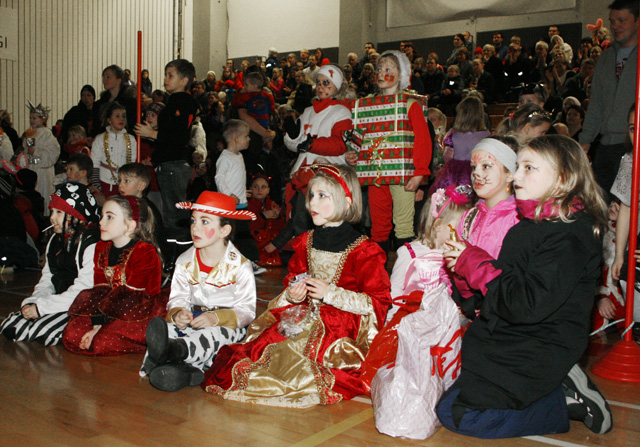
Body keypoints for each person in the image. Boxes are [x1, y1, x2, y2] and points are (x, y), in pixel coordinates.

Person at [438, 135, 612, 438]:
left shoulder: (573, 235)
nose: (516, 176)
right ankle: (557, 387)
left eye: (528, 168)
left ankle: (566, 401)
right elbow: (496, 297)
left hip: (540, 345)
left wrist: (476, 264)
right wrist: (465, 281)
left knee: (466, 417)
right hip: (507, 337)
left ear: (563, 179)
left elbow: (526, 303)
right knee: (446, 406)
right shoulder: (524, 228)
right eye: (518, 167)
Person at [203, 164, 391, 407]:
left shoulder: (365, 250)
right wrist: (293, 294)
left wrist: (330, 293)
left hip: (340, 327)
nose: (312, 202)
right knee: (264, 351)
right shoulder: (305, 242)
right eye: (311, 195)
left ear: (346, 202)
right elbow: (294, 279)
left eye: (322, 196)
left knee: (301, 365)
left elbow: (378, 302)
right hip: (304, 317)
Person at [141, 191, 257, 391]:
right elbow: (177, 297)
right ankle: (185, 373)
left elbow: (247, 311)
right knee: (169, 328)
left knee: (214, 335)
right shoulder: (184, 261)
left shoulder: (240, 266)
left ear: (224, 230)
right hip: (194, 319)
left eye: (205, 222)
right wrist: (178, 313)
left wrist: (215, 317)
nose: (195, 227)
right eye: (193, 221)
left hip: (227, 327)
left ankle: (172, 352)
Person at [348, 50, 432, 250]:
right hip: (376, 174)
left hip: (403, 174)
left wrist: (420, 172)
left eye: (388, 69)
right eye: (379, 69)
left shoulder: (410, 104)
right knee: (378, 225)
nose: (381, 73)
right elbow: (358, 135)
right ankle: (379, 274)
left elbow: (423, 140)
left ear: (401, 75)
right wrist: (352, 153)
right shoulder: (367, 105)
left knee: (403, 225)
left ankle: (406, 272)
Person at [62, 195, 166, 356]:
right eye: (102, 216)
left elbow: (132, 299)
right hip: (110, 308)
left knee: (102, 341)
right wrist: (96, 324)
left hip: (140, 310)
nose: (101, 222)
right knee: (72, 334)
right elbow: (99, 289)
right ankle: (104, 332)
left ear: (130, 225)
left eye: (109, 217)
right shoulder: (102, 248)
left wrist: (101, 329)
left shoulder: (143, 251)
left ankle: (154, 341)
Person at [0, 182, 100, 345]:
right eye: (52, 211)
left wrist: (42, 308)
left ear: (77, 215)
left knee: (41, 331)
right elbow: (48, 277)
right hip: (58, 300)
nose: (52, 217)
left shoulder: (90, 242)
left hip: (82, 304)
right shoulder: (55, 239)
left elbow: (84, 291)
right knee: (11, 325)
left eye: (59, 212)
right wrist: (36, 300)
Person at [452, 137, 520, 318]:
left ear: (510, 174)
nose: (477, 174)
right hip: (473, 308)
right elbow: (459, 271)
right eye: (474, 167)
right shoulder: (469, 217)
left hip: (503, 309)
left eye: (486, 166)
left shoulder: (518, 219)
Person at [387, 184, 473, 323]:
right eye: (460, 228)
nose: (464, 234)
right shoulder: (410, 252)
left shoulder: (459, 253)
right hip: (413, 322)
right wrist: (392, 321)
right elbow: (395, 289)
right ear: (438, 225)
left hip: (446, 324)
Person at [580, 0, 639, 200]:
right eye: (612, 21)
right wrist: (586, 140)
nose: (615, 26)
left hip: (634, 145)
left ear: (638, 21)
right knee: (599, 204)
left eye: (622, 20)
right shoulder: (605, 58)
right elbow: (595, 103)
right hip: (605, 146)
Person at [135, 59, 199, 239]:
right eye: (165, 75)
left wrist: (154, 134)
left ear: (184, 80)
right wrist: (156, 127)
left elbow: (179, 136)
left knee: (175, 214)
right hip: (169, 163)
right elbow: (172, 130)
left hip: (173, 164)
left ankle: (178, 251)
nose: (165, 79)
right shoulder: (174, 102)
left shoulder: (181, 103)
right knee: (172, 211)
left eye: (170, 75)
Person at [609, 105, 640, 338]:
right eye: (632, 128)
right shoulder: (630, 160)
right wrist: (620, 253)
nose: (636, 133)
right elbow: (626, 209)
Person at [431, 96, 490, 194]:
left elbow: (447, 156)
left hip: (455, 172)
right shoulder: (486, 135)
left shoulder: (453, 134)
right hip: (477, 171)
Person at [91, 102, 138, 199]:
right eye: (117, 116)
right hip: (104, 183)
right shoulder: (100, 139)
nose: (121, 119)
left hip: (124, 184)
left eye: (124, 116)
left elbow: (132, 162)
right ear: (109, 120)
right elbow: (94, 162)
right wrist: (96, 185)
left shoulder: (131, 140)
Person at [247, 175, 285, 267]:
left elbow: (282, 229)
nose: (259, 190)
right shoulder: (246, 206)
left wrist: (277, 218)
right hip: (252, 247)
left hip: (270, 247)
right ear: (250, 189)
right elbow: (246, 228)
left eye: (263, 187)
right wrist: (263, 216)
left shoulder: (272, 205)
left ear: (268, 190)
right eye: (256, 187)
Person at [92, 65, 137, 137]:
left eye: (108, 77)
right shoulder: (100, 104)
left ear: (119, 79)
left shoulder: (130, 102)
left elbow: (132, 125)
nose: (104, 80)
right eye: (103, 78)